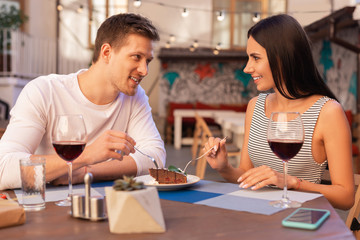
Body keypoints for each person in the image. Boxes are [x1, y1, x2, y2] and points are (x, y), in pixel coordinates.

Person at [203, 14, 354, 210]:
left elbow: (346, 197)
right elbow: (246, 177)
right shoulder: (255, 106)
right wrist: (224, 168)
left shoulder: (328, 112)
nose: (247, 68)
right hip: (256, 215)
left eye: (255, 58)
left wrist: (292, 183)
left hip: (300, 220)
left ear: (282, 57)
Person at [0, 13, 166, 190]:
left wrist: (87, 171)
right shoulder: (44, 91)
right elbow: (3, 168)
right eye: (136, 57)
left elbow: (155, 159)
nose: (144, 70)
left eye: (147, 61)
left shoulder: (135, 97)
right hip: (45, 208)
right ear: (107, 53)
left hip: (106, 206)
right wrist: (86, 155)